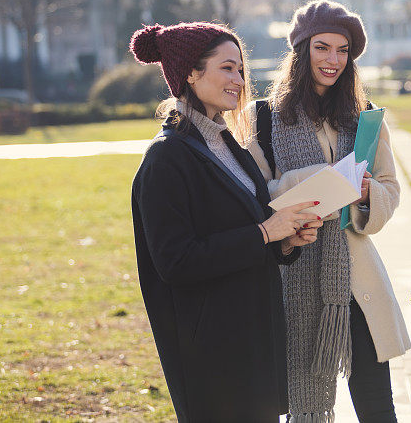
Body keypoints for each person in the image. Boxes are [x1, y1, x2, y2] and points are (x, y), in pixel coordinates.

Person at [130, 22, 322, 422]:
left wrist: (284, 240)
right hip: (212, 352)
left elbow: (244, 226)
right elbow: (175, 262)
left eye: (240, 70)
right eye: (227, 68)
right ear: (189, 74)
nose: (239, 80)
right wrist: (265, 232)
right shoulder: (166, 158)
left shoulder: (228, 143)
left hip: (252, 337)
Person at [246, 0, 411, 422]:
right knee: (301, 403)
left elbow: (391, 187)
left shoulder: (365, 118)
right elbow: (255, 196)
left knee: (378, 406)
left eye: (343, 50)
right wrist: (318, 178)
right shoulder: (263, 119)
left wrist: (367, 194)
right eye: (322, 47)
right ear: (302, 51)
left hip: (355, 278)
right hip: (294, 271)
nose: (333, 60)